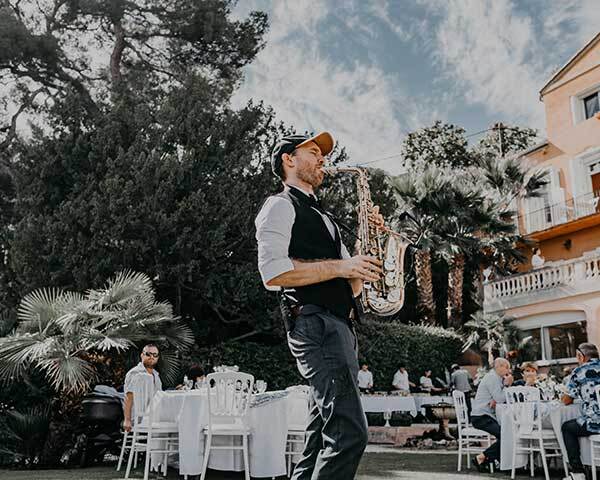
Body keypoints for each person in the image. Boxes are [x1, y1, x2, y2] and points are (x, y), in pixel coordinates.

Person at [255, 131, 384, 479]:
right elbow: (273, 273)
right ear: (288, 159)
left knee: (319, 436)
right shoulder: (279, 205)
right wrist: (344, 266)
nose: (322, 158)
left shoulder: (325, 218)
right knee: (350, 433)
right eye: (313, 152)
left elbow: (354, 286)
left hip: (339, 326)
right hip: (315, 325)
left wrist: (371, 244)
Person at [560, 343, 600, 479]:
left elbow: (566, 400)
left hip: (596, 422)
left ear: (581, 356)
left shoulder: (579, 372)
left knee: (567, 427)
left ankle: (578, 473)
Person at [470, 358, 514, 471]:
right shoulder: (492, 378)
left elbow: (498, 398)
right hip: (481, 417)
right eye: (507, 367)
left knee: (508, 434)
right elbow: (500, 398)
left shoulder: (497, 378)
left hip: (486, 416)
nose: (509, 370)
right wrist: (507, 386)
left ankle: (492, 460)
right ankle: (482, 457)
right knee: (506, 436)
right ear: (499, 366)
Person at [123, 344, 162, 432]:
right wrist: (127, 420)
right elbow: (128, 397)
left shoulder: (156, 375)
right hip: (138, 419)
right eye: (148, 354)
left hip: (153, 418)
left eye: (155, 355)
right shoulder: (135, 373)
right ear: (142, 355)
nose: (152, 357)